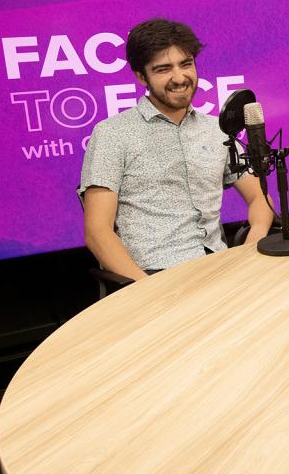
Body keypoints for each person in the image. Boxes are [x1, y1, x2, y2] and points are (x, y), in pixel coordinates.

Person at [79, 18, 273, 281]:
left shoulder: (217, 130)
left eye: (186, 64)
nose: (179, 78)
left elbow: (260, 196)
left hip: (220, 268)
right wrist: (148, 288)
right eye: (163, 69)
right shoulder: (112, 134)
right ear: (141, 76)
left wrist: (252, 244)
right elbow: (97, 232)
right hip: (155, 276)